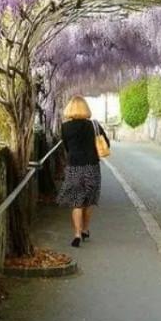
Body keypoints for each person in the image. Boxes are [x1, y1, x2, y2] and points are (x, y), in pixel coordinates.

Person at [58, 95, 110, 247]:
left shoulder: (65, 127)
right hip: (92, 167)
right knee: (89, 201)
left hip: (74, 167)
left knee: (76, 203)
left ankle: (76, 234)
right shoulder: (94, 125)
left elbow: (66, 148)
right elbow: (106, 143)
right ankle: (85, 229)